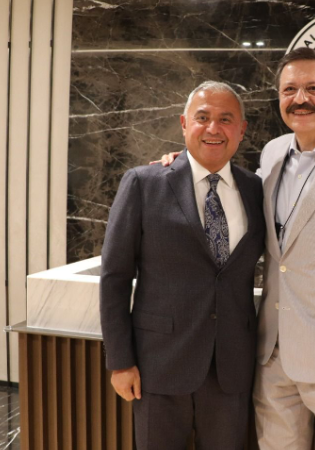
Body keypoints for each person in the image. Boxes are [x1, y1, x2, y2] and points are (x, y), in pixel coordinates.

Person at [157, 48, 315, 449]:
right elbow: (232, 194)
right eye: (289, 90)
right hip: (272, 359)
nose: (300, 99)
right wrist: (186, 166)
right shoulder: (273, 154)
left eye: (313, 89)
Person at [100, 81, 265, 449]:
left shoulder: (256, 189)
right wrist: (120, 362)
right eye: (202, 118)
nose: (213, 128)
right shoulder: (144, 183)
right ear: (184, 124)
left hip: (231, 369)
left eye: (225, 119)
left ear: (241, 129)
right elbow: (115, 277)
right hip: (158, 366)